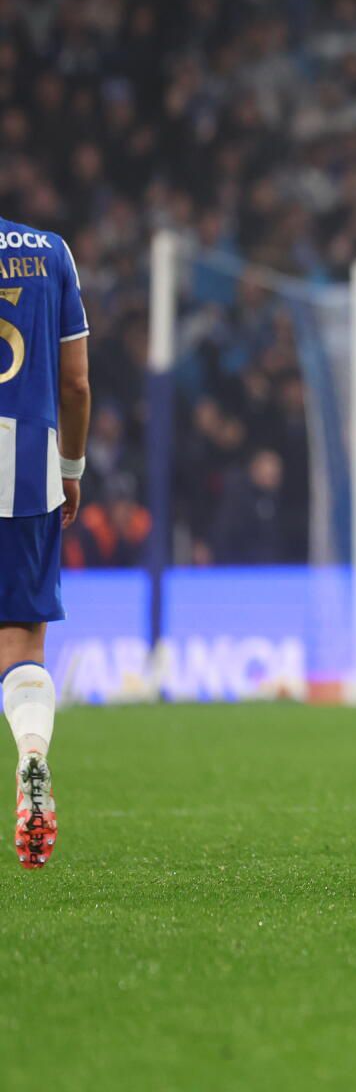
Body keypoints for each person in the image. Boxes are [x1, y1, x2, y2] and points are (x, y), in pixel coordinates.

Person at [0, 216, 89, 869]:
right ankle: (32, 755)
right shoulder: (49, 250)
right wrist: (73, 467)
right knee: (22, 638)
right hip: (27, 467)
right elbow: (77, 383)